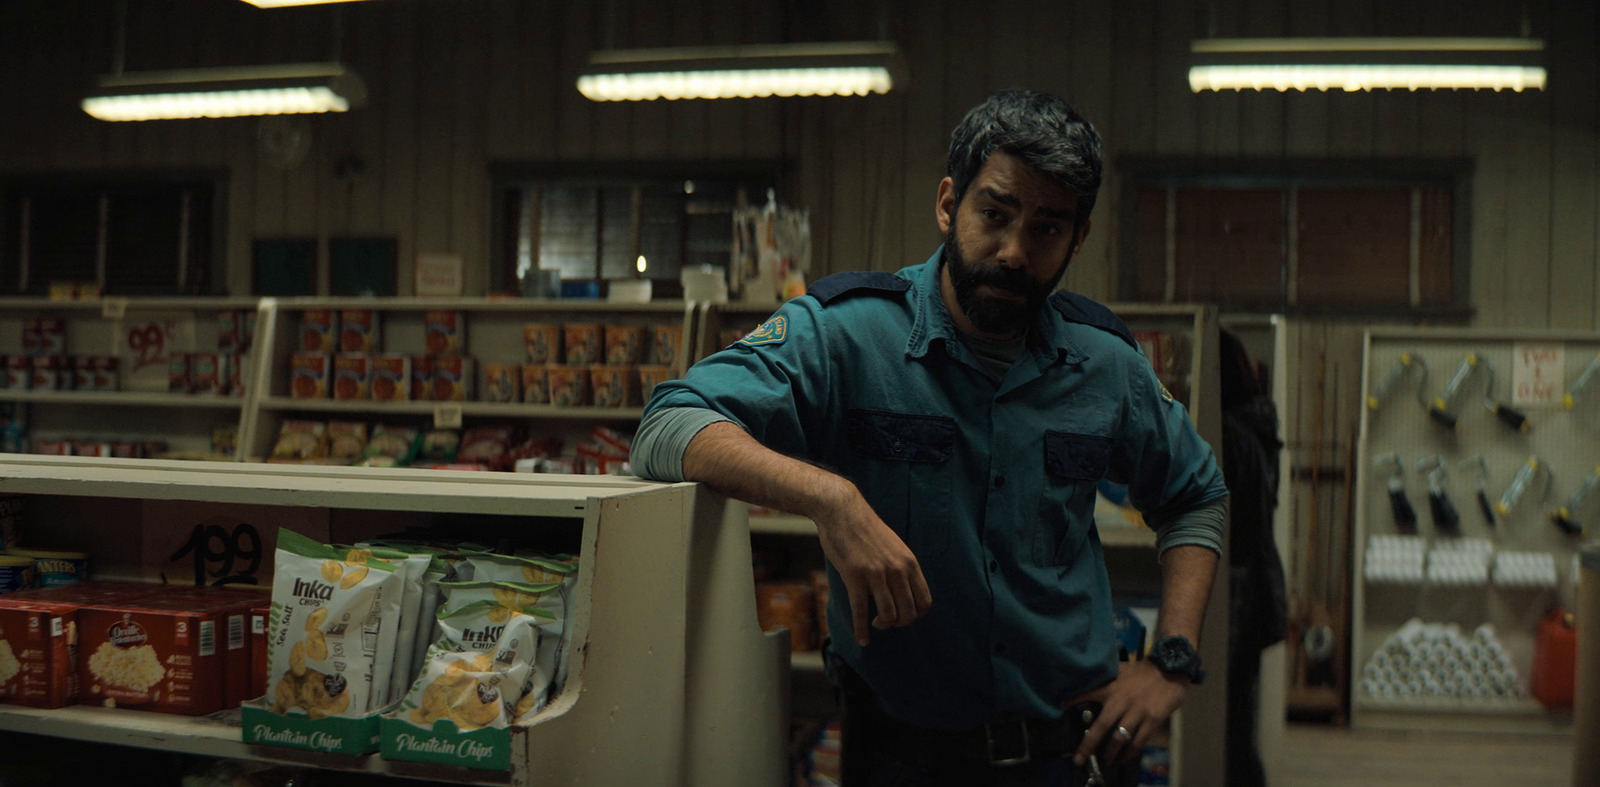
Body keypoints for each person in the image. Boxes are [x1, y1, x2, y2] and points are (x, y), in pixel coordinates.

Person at [630, 88, 1229, 786]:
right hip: (899, 756)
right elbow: (669, 422)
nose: (1013, 251)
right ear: (949, 203)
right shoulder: (849, 333)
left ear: (1078, 237)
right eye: (995, 214)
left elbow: (1197, 495)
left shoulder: (1107, 364)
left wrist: (1173, 660)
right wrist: (831, 498)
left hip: (1067, 754)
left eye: (1046, 229)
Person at [1218, 329, 1288, 787]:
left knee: (1229, 728)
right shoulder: (1258, 424)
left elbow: (1225, 522)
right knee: (1236, 719)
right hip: (1255, 587)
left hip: (1235, 592)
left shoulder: (1228, 433)